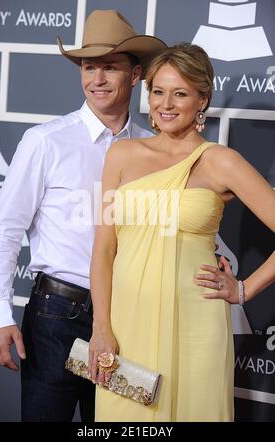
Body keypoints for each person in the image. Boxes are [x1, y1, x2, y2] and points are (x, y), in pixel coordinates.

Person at [0, 10, 167, 422]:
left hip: (127, 317)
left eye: (110, 67)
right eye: (88, 66)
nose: (96, 78)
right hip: (55, 319)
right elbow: (5, 231)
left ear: (135, 75)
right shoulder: (46, 142)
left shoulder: (155, 149)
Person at [88, 43, 275, 422]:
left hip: (196, 329)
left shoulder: (221, 161)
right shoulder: (121, 156)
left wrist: (244, 289)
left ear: (202, 99)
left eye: (180, 93)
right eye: (158, 91)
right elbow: (104, 250)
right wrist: (101, 328)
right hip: (126, 328)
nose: (166, 104)